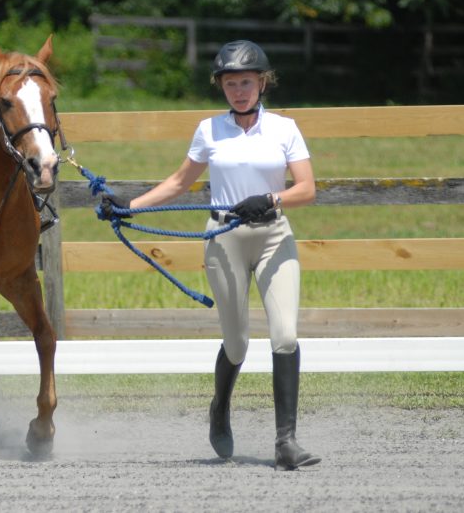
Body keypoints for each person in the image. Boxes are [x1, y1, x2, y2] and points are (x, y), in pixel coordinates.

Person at [100, 40, 321, 471]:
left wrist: (272, 199)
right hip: (224, 237)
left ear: (262, 83)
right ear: (222, 86)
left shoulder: (285, 128)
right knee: (237, 343)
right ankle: (220, 407)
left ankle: (286, 442)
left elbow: (307, 189)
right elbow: (179, 183)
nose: (239, 90)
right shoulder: (209, 130)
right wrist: (128, 207)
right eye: (231, 83)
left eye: (247, 82)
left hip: (274, 235)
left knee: (285, 335)